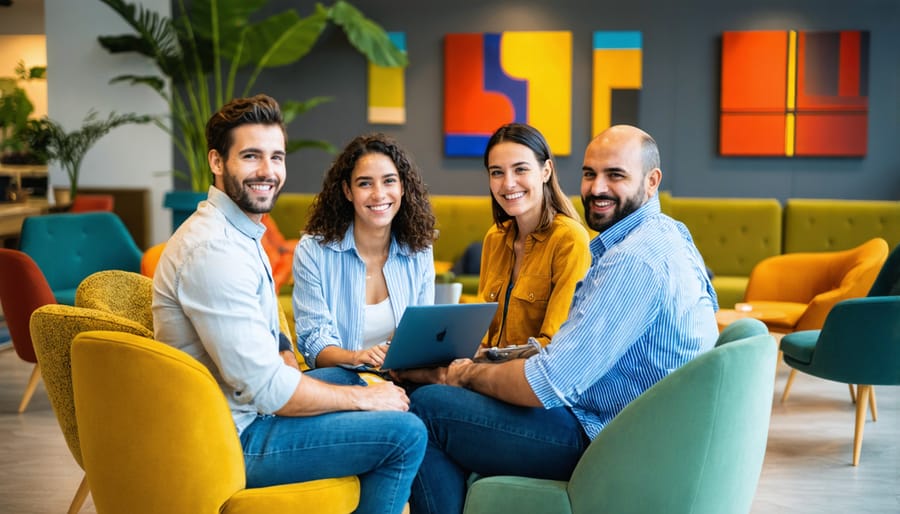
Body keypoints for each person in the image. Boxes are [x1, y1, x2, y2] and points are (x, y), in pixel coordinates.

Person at [406, 125, 719, 514]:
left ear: (652, 181)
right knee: (442, 400)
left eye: (615, 175)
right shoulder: (665, 234)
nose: (597, 187)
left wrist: (465, 374)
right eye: (589, 174)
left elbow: (547, 383)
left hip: (608, 436)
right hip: (625, 420)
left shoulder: (633, 260)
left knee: (427, 409)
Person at [152, 94, 426, 514]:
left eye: (276, 157)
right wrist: (364, 401)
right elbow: (265, 388)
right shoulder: (213, 251)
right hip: (235, 436)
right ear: (217, 161)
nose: (267, 171)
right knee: (404, 434)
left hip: (248, 412)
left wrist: (286, 354)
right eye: (250, 156)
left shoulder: (241, 232)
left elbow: (272, 331)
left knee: (354, 382)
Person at [293, 133, 436, 371]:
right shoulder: (313, 251)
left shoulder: (419, 249)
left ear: (403, 187)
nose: (379, 194)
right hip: (341, 377)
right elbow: (314, 342)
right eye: (365, 183)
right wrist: (358, 358)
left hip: (401, 378)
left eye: (389, 181)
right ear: (348, 191)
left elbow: (422, 333)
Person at [477, 123, 590, 349]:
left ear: (545, 171)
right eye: (497, 172)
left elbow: (553, 344)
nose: (508, 183)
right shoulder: (495, 237)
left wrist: (481, 363)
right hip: (484, 373)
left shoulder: (569, 239)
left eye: (520, 169)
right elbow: (481, 333)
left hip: (527, 378)